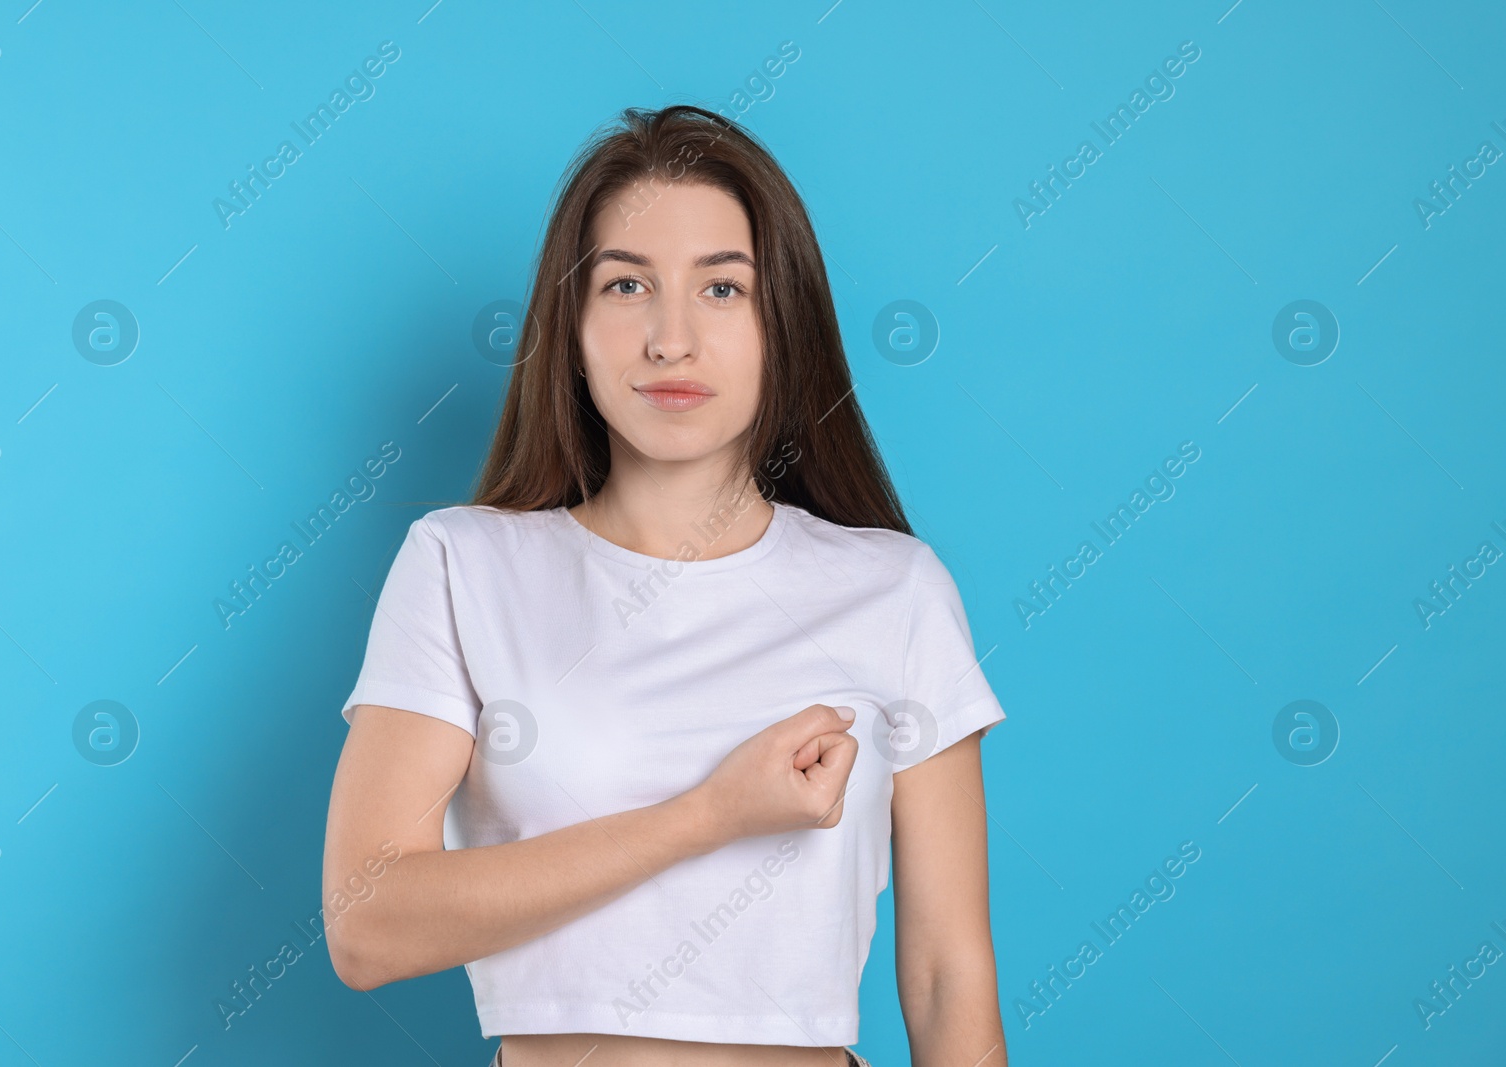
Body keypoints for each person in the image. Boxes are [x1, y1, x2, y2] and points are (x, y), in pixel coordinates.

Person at [323, 104, 1009, 1067]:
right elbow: (366, 926)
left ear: (786, 323)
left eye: (723, 288)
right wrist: (706, 817)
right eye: (627, 284)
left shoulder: (894, 591)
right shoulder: (461, 564)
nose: (670, 339)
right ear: (572, 324)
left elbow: (948, 978)